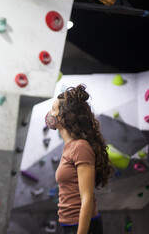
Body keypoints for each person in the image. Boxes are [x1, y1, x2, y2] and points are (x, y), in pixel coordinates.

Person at [45, 84, 113, 234]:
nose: (49, 113)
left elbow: (87, 197)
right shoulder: (69, 147)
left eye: (53, 109)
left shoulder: (80, 147)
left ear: (63, 116)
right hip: (68, 224)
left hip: (83, 226)